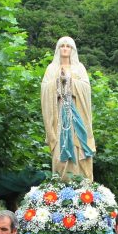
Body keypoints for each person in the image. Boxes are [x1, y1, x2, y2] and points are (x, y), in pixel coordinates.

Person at [40, 36, 96, 181]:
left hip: (77, 114)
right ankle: (61, 181)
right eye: (62, 46)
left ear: (73, 49)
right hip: (58, 115)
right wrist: (58, 82)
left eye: (68, 46)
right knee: (60, 149)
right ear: (58, 49)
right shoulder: (51, 69)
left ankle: (81, 181)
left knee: (79, 148)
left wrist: (70, 82)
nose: (65, 48)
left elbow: (86, 88)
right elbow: (45, 89)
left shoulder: (79, 68)